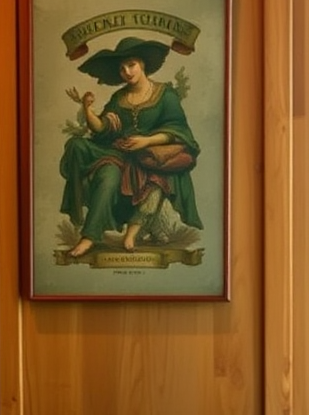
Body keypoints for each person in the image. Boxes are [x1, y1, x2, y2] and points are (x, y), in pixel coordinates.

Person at [58, 35, 202, 257]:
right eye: (122, 68)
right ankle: (89, 238)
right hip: (117, 154)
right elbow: (103, 128)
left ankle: (126, 232)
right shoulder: (119, 97)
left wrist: (147, 141)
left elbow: (178, 130)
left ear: (142, 64)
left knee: (137, 182)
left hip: (148, 156)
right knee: (100, 169)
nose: (127, 71)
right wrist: (87, 109)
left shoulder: (165, 94)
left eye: (132, 65)